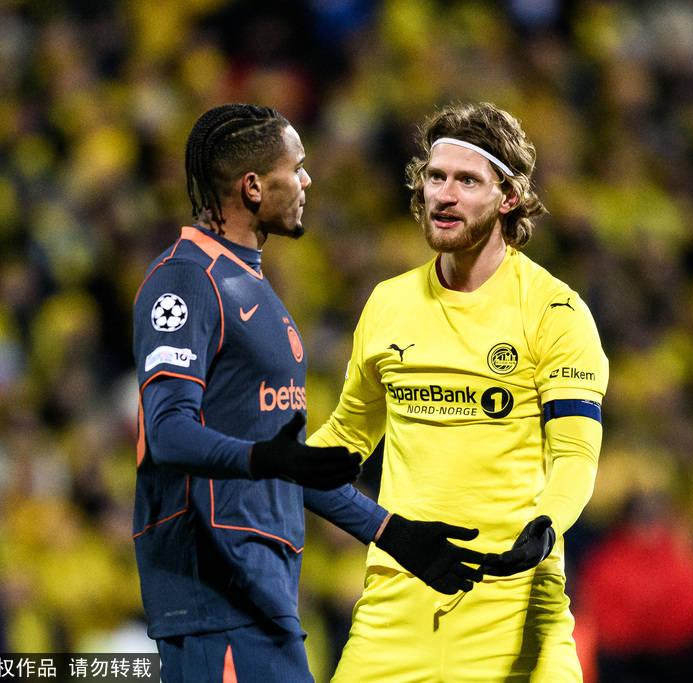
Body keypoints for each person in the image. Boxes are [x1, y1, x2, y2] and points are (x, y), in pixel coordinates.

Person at [132, 103, 488, 682]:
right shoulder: (187, 279)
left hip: (263, 595)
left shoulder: (252, 286)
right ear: (253, 187)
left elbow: (291, 466)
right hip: (215, 595)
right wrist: (269, 459)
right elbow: (168, 432)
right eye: (295, 168)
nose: (307, 181)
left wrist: (393, 533)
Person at [308, 101, 610, 681]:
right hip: (396, 610)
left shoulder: (555, 312)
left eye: (467, 181)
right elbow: (345, 439)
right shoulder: (388, 304)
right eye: (435, 177)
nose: (443, 196)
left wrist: (546, 523)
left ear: (509, 197)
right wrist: (264, 461)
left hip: (516, 607)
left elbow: (574, 455)